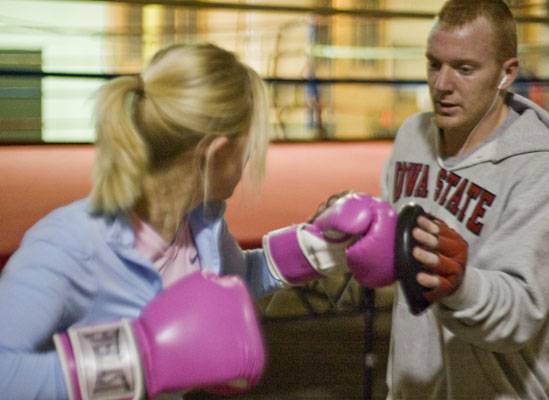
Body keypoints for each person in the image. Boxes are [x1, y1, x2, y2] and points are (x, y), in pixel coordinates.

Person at [0, 43, 364, 399]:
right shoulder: (70, 245)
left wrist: (316, 247)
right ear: (218, 153)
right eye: (248, 148)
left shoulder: (200, 227)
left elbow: (234, 282)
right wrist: (140, 362)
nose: (251, 160)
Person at [311, 1, 549, 399]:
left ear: (506, 73)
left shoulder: (541, 170)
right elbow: (394, 258)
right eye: (434, 64)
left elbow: (521, 313)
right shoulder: (413, 136)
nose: (442, 84)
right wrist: (348, 236)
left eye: (464, 69)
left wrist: (459, 285)